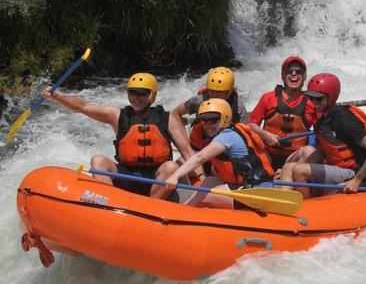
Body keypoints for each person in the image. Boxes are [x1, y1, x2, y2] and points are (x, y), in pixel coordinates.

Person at [42, 73, 195, 199]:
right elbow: (83, 107)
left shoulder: (167, 119)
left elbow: (187, 153)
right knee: (98, 160)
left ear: (152, 95)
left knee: (171, 166)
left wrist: (201, 178)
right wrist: (58, 96)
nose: (136, 97)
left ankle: (152, 207)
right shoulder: (117, 116)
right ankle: (109, 204)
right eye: (132, 93)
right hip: (127, 175)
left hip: (156, 179)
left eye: (142, 93)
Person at [279, 73, 366, 197]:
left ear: (332, 98)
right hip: (336, 168)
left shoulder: (345, 120)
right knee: (288, 167)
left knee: (299, 171)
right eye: (311, 98)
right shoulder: (321, 119)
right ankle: (281, 201)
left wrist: (357, 179)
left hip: (354, 172)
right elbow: (321, 152)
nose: (314, 102)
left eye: (318, 99)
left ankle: (305, 207)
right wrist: (291, 171)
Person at [165, 98, 274, 209]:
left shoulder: (227, 137)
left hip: (255, 191)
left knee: (204, 197)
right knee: (210, 180)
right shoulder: (229, 132)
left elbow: (199, 158)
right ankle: (186, 209)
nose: (207, 125)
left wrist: (175, 176)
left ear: (224, 119)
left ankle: (184, 211)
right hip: (244, 185)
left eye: (213, 120)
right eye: (203, 120)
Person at [171, 67, 248, 178]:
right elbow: (175, 114)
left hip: (223, 154)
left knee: (218, 171)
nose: (216, 95)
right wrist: (185, 146)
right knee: (174, 169)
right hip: (197, 151)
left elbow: (245, 136)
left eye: (222, 92)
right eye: (213, 91)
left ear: (231, 90)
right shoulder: (198, 101)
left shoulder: (238, 108)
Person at [248, 56, 317, 171]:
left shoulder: (312, 102)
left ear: (304, 76)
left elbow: (320, 130)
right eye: (289, 71)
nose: (294, 74)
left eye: (299, 71)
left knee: (310, 151)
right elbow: (251, 125)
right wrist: (266, 135)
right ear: (283, 76)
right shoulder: (268, 98)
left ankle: (289, 173)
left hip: (295, 157)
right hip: (268, 153)